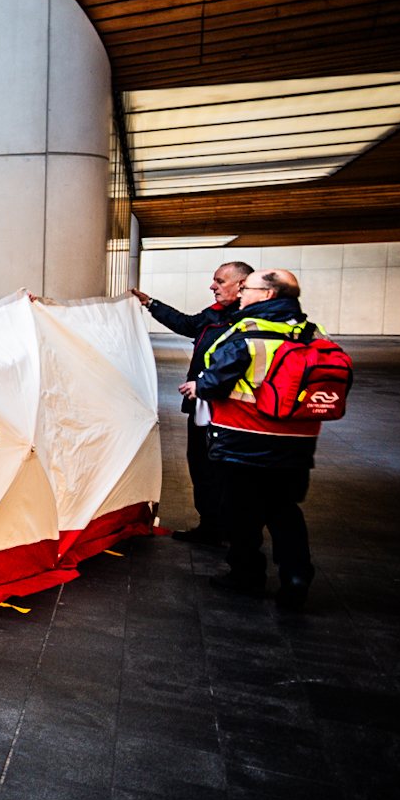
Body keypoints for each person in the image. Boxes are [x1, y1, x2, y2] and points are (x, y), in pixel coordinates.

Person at [184, 268, 319, 609]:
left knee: (241, 510)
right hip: (297, 442)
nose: (242, 293)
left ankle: (246, 575)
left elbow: (215, 382)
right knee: (284, 509)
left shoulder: (246, 331)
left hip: (247, 438)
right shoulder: (312, 333)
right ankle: (296, 578)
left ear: (268, 295)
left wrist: (198, 386)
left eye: (248, 288)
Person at [130, 260, 253, 544]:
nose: (213, 286)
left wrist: (206, 385)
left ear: (241, 285)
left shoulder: (247, 323)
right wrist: (151, 304)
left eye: (220, 281)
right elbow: (187, 324)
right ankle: (212, 525)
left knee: (220, 471)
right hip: (202, 407)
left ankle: (226, 528)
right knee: (201, 466)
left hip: (228, 411)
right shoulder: (217, 314)